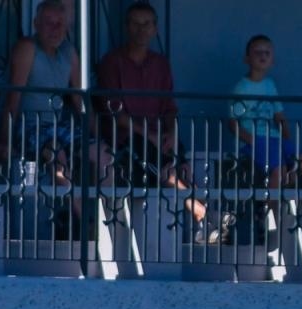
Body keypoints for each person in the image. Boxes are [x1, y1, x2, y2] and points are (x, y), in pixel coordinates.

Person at [96, 2, 232, 244]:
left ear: (155, 29)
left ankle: (204, 224)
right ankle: (203, 214)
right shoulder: (112, 62)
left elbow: (169, 107)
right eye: (136, 24)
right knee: (162, 167)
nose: (141, 29)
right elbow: (114, 112)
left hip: (159, 137)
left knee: (181, 165)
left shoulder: (160, 64)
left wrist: (169, 131)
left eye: (146, 24)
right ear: (127, 27)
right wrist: (149, 135)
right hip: (125, 141)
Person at [0, 0, 111, 190]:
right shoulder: (27, 48)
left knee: (103, 155)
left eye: (60, 23)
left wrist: (99, 136)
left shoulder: (68, 52)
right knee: (56, 153)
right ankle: (79, 218)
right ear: (36, 24)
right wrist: (4, 141)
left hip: (57, 125)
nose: (55, 29)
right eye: (48, 23)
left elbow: (80, 99)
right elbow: (13, 98)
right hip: (29, 125)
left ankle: (109, 218)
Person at [228, 35, 302, 190]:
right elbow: (233, 123)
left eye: (267, 53)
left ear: (272, 60)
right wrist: (252, 140)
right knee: (279, 168)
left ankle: (284, 188)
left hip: (274, 138)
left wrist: (287, 141)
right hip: (253, 140)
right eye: (257, 53)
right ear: (247, 59)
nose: (263, 56)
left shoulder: (270, 85)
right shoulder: (242, 88)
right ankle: (271, 211)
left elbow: (279, 116)